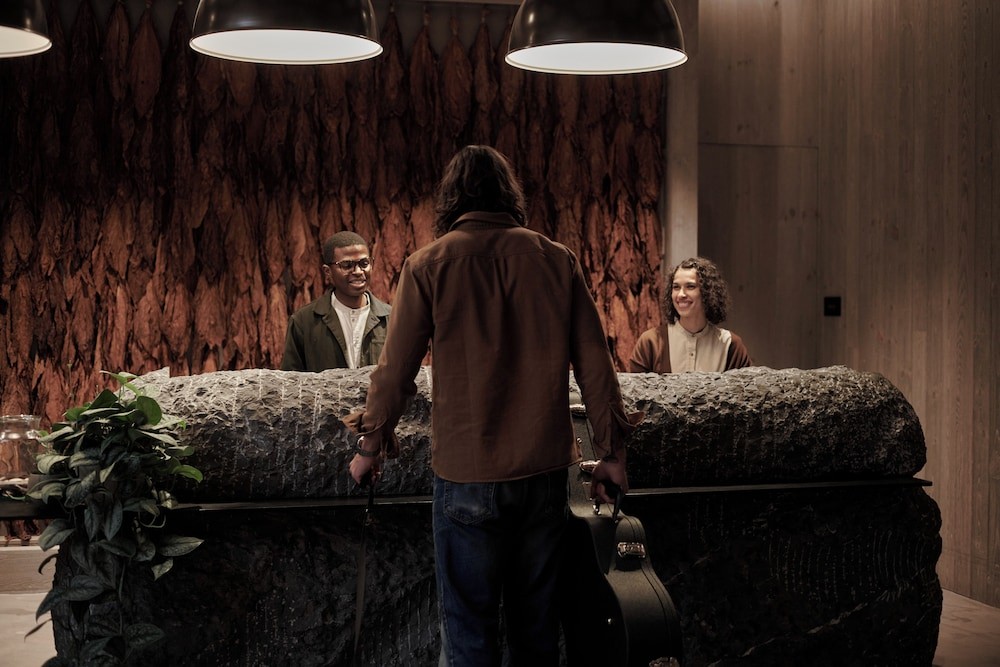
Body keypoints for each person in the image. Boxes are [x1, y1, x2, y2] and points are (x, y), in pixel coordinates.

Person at [344, 145, 639, 666]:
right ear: (509, 194)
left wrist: (370, 446)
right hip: (544, 472)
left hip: (467, 473)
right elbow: (596, 366)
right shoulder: (556, 259)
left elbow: (394, 372)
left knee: (468, 636)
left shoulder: (428, 265)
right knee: (537, 636)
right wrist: (612, 455)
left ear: (451, 199)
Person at [280, 231, 391, 371]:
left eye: (364, 263)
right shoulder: (303, 322)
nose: (358, 271)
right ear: (328, 272)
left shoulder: (392, 319)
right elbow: (290, 378)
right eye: (347, 265)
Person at [629, 256, 753, 373]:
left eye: (690, 286)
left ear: (707, 292)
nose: (681, 294)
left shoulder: (730, 345)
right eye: (676, 287)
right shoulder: (651, 342)